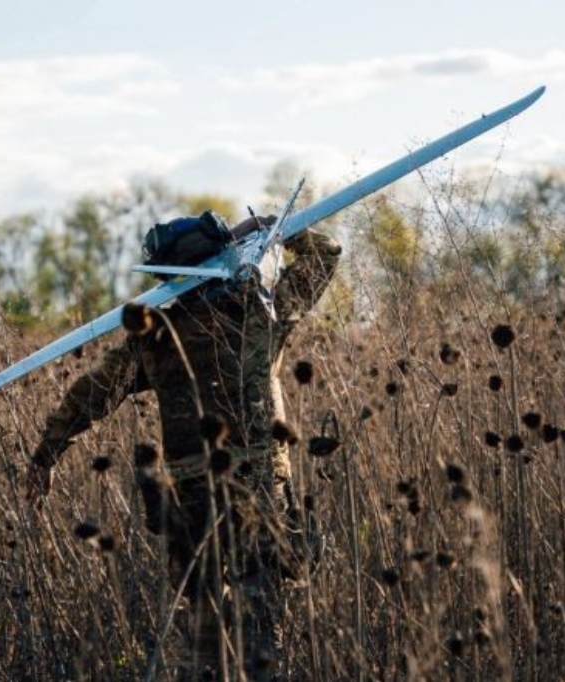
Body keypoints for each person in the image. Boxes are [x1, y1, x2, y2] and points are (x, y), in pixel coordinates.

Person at [29, 211, 341, 681]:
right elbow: (324, 256)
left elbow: (88, 397)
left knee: (206, 637)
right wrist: (280, 228)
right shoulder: (260, 315)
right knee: (261, 633)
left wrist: (45, 456)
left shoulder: (157, 338)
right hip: (259, 493)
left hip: (194, 506)